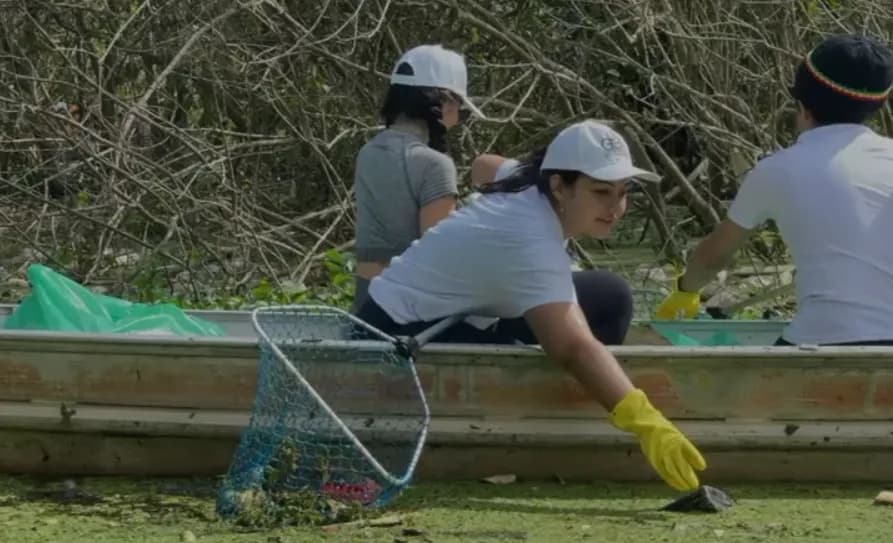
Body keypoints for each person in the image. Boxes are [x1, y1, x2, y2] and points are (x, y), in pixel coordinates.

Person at [355, 120, 707, 492]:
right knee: (576, 339)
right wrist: (645, 419)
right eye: (601, 191)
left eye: (623, 192)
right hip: (402, 333)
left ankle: (586, 388)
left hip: (463, 312)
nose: (615, 208)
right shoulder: (530, 238)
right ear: (559, 185)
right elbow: (572, 346)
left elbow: (484, 165)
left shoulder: (530, 181)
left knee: (609, 296)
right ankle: (569, 413)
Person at [655, 34, 893, 347]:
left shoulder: (778, 170)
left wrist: (686, 290)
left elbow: (713, 257)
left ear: (803, 106)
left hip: (820, 341)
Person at [351, 44, 484, 313]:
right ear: (443, 102)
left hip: (364, 301)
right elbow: (437, 255)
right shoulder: (434, 164)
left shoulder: (368, 152)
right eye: (461, 109)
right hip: (405, 308)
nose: (458, 120)